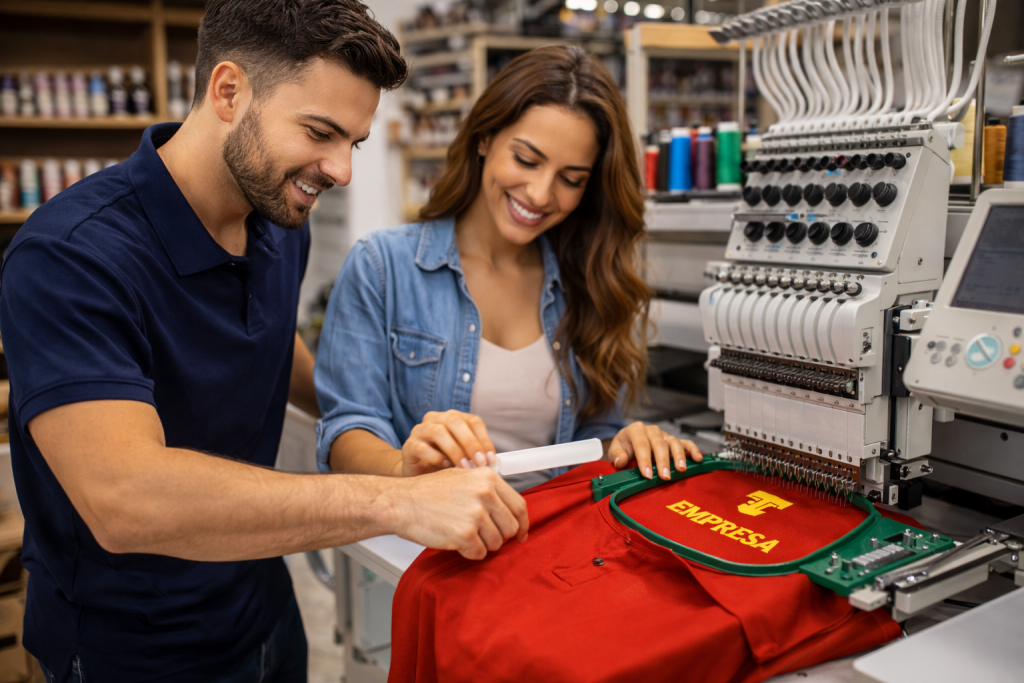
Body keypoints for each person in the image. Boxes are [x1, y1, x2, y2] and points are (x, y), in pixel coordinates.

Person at [0, 2, 530, 681]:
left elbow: (270, 345)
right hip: (131, 650)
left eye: (354, 143)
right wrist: (399, 502)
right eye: (320, 132)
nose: (341, 170)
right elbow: (126, 498)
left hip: (264, 613)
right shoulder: (69, 257)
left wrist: (387, 435)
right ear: (228, 91)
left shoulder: (279, 215)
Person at [315, 46, 703, 492]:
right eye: (526, 159)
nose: (539, 193)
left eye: (571, 179)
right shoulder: (383, 267)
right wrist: (405, 466)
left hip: (551, 541)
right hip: (429, 546)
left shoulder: (587, 280)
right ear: (485, 138)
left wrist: (623, 443)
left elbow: (591, 438)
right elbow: (347, 429)